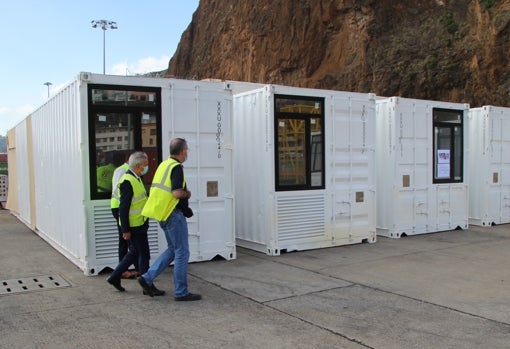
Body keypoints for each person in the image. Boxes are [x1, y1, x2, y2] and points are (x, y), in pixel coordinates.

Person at [137, 138, 201, 301]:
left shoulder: (163, 165)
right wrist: (188, 193)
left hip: (162, 214)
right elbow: (176, 193)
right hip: (173, 214)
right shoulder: (176, 167)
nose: (187, 152)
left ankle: (147, 277)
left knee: (173, 249)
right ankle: (181, 291)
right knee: (182, 252)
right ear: (182, 151)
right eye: (187, 149)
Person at [107, 151, 164, 296]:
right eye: (145, 165)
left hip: (139, 223)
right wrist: (125, 229)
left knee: (134, 253)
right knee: (144, 254)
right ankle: (147, 285)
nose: (147, 167)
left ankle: (114, 277)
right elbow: (123, 207)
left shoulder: (135, 178)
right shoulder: (127, 180)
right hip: (134, 226)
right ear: (138, 166)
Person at [110, 158, 138, 279]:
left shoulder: (128, 171)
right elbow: (117, 191)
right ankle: (122, 270)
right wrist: (125, 203)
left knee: (128, 241)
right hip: (120, 207)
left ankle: (137, 268)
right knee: (126, 240)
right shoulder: (123, 171)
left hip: (121, 207)